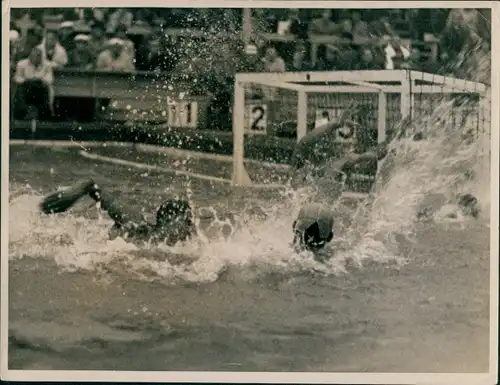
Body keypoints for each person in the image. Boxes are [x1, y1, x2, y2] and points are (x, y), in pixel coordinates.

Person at [40, 178, 196, 246]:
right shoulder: (136, 223)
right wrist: (71, 195)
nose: (191, 229)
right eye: (187, 222)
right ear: (170, 220)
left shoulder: (184, 250)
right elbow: (92, 186)